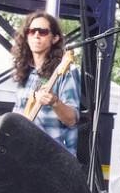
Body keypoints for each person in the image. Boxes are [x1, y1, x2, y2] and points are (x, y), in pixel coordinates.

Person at [11, 10, 80, 154]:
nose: (36, 35)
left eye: (42, 32)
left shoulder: (65, 71)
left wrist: (55, 102)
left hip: (53, 157)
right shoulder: (24, 73)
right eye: (32, 31)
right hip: (25, 153)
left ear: (54, 39)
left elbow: (72, 119)